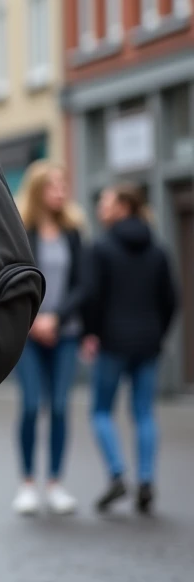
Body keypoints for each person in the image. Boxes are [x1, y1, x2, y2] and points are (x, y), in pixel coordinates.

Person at [84, 183, 177, 516]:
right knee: (143, 413)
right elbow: (171, 299)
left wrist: (91, 333)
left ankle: (117, 474)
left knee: (101, 411)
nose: (100, 208)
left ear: (124, 207)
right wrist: (158, 333)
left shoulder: (103, 248)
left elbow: (93, 296)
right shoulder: (158, 249)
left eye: (106, 202)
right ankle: (147, 480)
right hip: (149, 343)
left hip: (112, 342)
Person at [12, 162, 86, 516]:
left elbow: (83, 284)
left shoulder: (73, 232)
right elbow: (11, 280)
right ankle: (27, 484)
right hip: (27, 334)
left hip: (65, 333)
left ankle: (55, 484)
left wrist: (58, 318)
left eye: (63, 184)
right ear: (39, 189)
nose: (61, 191)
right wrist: (32, 319)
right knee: (29, 405)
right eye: (54, 185)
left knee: (58, 407)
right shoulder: (21, 230)